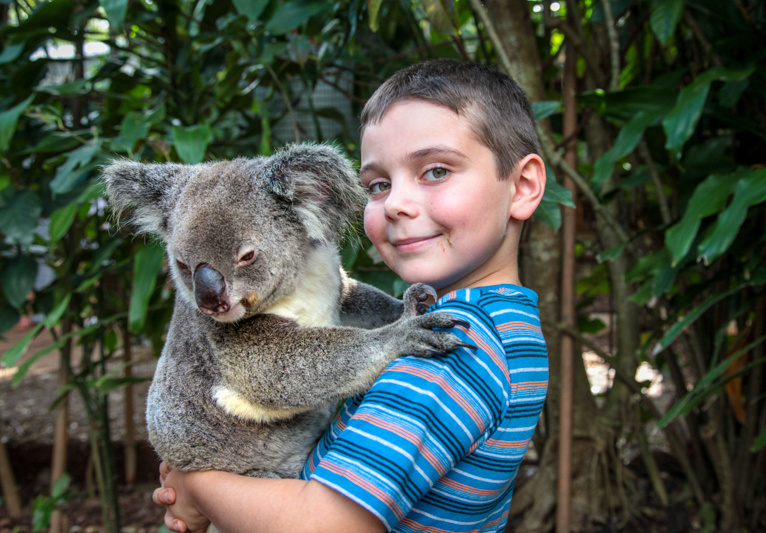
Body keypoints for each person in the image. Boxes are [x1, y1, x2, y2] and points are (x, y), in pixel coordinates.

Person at [152, 58, 549, 533]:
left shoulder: (450, 347)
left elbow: (324, 525)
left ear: (522, 187)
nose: (396, 203)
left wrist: (199, 488)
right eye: (377, 185)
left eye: (437, 171)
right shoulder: (501, 324)